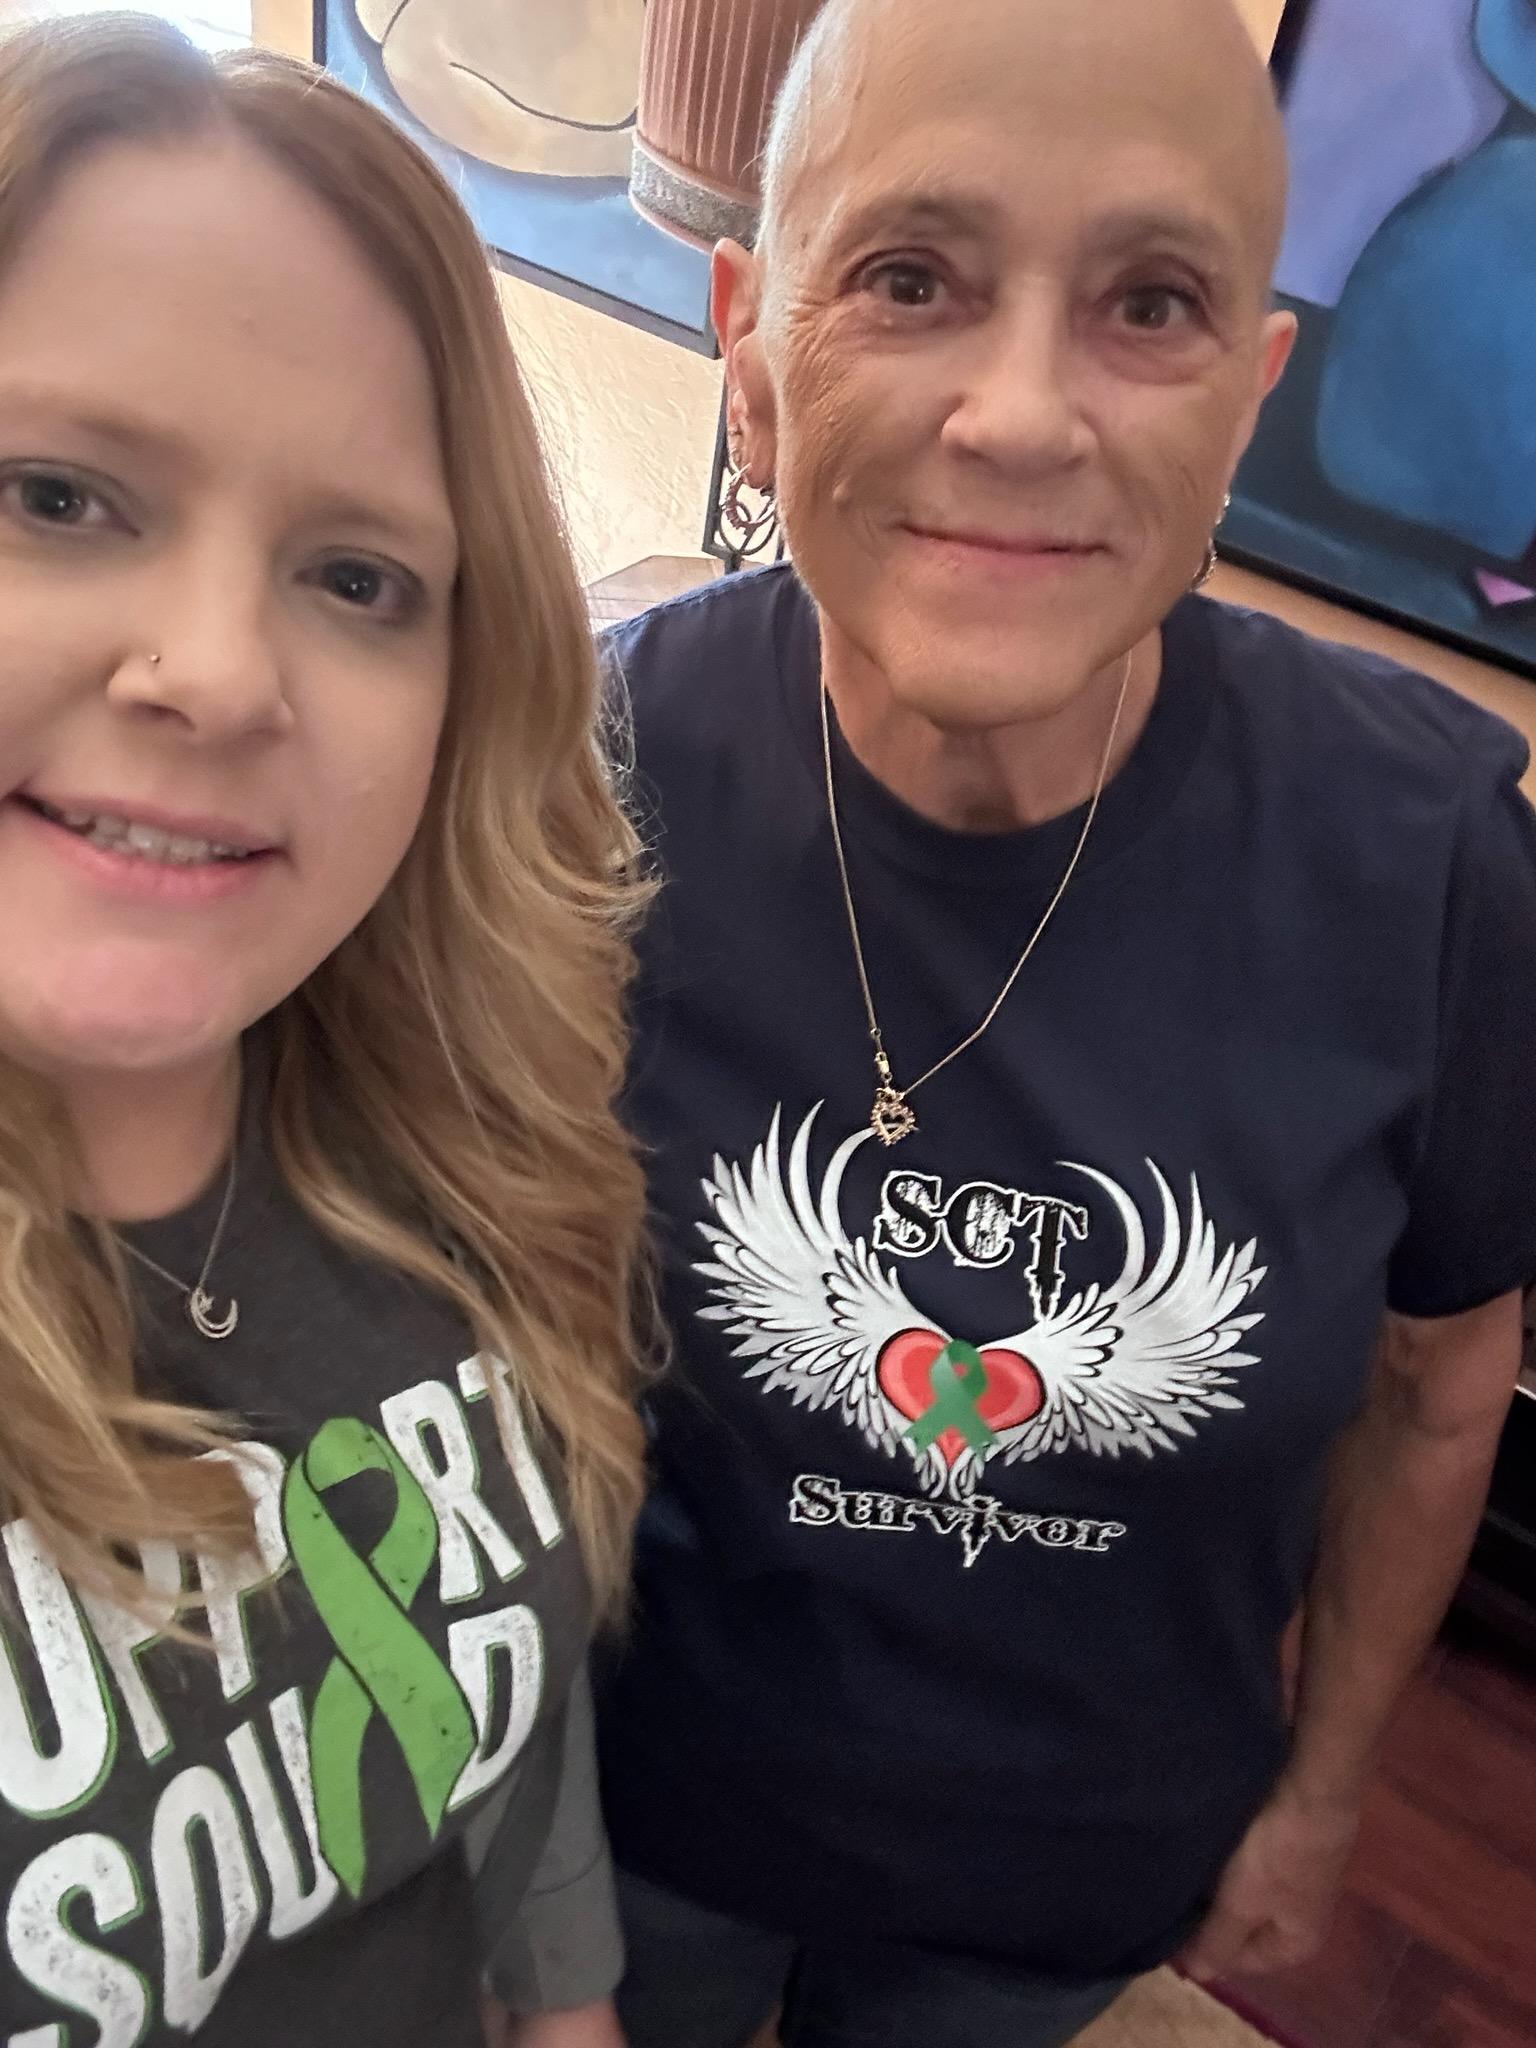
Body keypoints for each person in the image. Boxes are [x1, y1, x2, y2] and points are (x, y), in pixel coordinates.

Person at [595, 0, 1536, 2043]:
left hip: (1060, 1881)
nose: (1022, 411)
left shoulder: (1430, 856)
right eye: (912, 277)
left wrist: (1327, 1794)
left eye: (1151, 302)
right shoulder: (583, 775)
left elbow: (1447, 1389)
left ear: (1250, 391)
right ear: (753, 349)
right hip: (625, 1813)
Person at [0, 16, 641, 2045]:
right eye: (59, 493)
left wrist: (568, 2011)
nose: (213, 670)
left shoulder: (446, 1157)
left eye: (356, 575)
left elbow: (503, 1736)